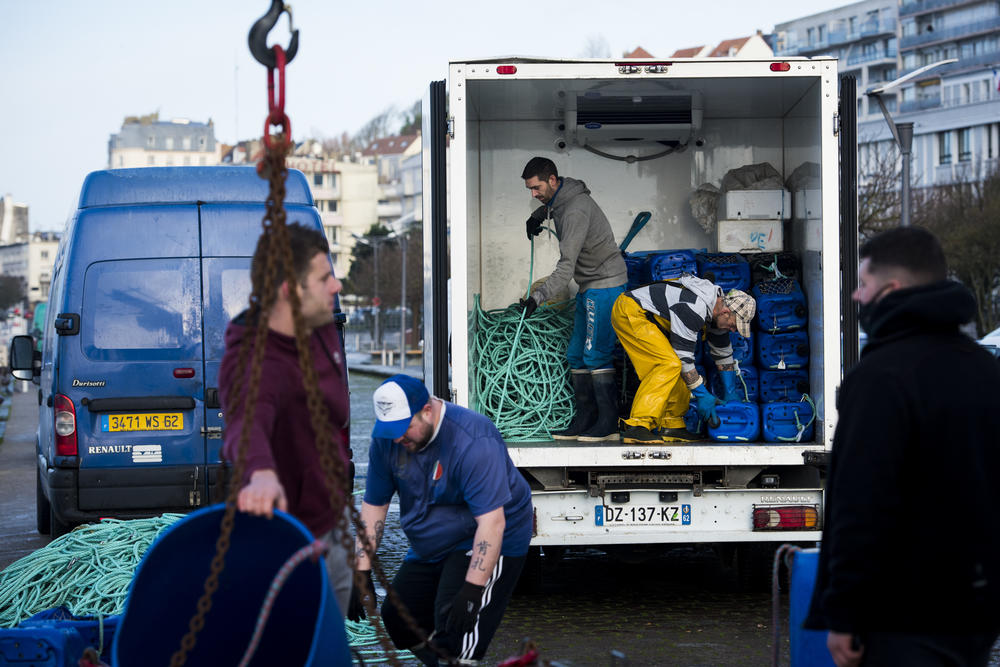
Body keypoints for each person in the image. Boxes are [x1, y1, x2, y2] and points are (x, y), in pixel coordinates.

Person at [804, 226, 1000, 667]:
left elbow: (859, 504)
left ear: (890, 290)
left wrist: (845, 613)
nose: (856, 296)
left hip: (900, 616)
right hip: (976, 607)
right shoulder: (984, 370)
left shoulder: (879, 378)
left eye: (863, 284)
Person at [218, 222, 354, 615]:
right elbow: (246, 423)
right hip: (287, 546)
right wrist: (260, 472)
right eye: (324, 277)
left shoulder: (321, 325)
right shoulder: (254, 360)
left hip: (334, 520)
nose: (336, 286)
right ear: (290, 291)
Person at [355, 374, 533, 666]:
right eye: (390, 431)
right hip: (433, 536)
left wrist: (473, 589)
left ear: (428, 410)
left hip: (485, 534)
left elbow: (492, 523)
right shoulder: (388, 440)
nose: (398, 438)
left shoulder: (473, 439)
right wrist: (360, 571)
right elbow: (374, 506)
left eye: (405, 428)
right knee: (399, 619)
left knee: (455, 628)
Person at [520, 157, 628, 442]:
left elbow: (566, 267)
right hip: (589, 285)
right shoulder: (562, 200)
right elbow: (556, 205)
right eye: (530, 189)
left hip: (604, 285)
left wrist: (537, 298)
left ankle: (608, 424)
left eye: (537, 187)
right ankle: (586, 419)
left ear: (552, 180)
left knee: (596, 354)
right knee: (576, 354)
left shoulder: (574, 212)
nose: (533, 193)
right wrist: (540, 214)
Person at [610, 274, 755, 444]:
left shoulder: (716, 314)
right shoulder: (694, 307)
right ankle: (638, 426)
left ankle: (672, 425)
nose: (732, 330)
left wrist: (730, 391)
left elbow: (723, 353)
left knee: (678, 367)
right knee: (668, 364)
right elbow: (684, 360)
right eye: (733, 325)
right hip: (631, 311)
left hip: (652, 319)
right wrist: (702, 394)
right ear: (725, 312)